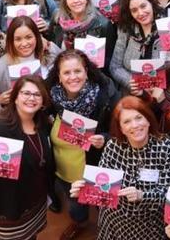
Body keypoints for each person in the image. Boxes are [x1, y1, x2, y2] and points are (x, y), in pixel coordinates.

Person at [69, 96, 170, 236]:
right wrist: (84, 190)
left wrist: (142, 195)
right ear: (121, 128)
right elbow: (101, 187)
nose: (134, 125)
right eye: (127, 122)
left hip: (149, 226)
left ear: (148, 120)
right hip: (114, 223)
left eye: (139, 118)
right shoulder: (113, 146)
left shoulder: (165, 147)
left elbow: (167, 195)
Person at [0, 75, 54, 240]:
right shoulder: (0, 129)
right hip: (10, 207)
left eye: (37, 95)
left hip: (35, 201)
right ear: (14, 98)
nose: (31, 98)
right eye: (25, 93)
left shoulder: (42, 124)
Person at [47, 49, 120, 239]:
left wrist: (104, 138)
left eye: (77, 71)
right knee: (75, 206)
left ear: (86, 71)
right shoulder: (51, 97)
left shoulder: (104, 95)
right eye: (67, 73)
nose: (73, 77)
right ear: (59, 76)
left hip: (96, 166)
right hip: (63, 169)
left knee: (104, 206)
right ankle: (80, 223)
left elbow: (121, 131)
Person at [0, 15, 59, 115]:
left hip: (50, 119)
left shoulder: (52, 52)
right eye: (18, 39)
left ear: (37, 37)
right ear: (11, 41)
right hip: (18, 122)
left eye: (29, 37)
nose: (24, 43)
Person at [110, 0, 164, 91]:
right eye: (134, 10)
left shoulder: (167, 28)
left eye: (143, 6)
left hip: (161, 92)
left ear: (152, 4)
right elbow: (115, 67)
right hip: (132, 93)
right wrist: (132, 82)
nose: (140, 13)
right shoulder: (126, 30)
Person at [46, 0, 115, 52]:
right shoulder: (57, 17)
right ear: (65, 2)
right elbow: (52, 46)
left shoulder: (103, 24)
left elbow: (108, 56)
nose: (75, 0)